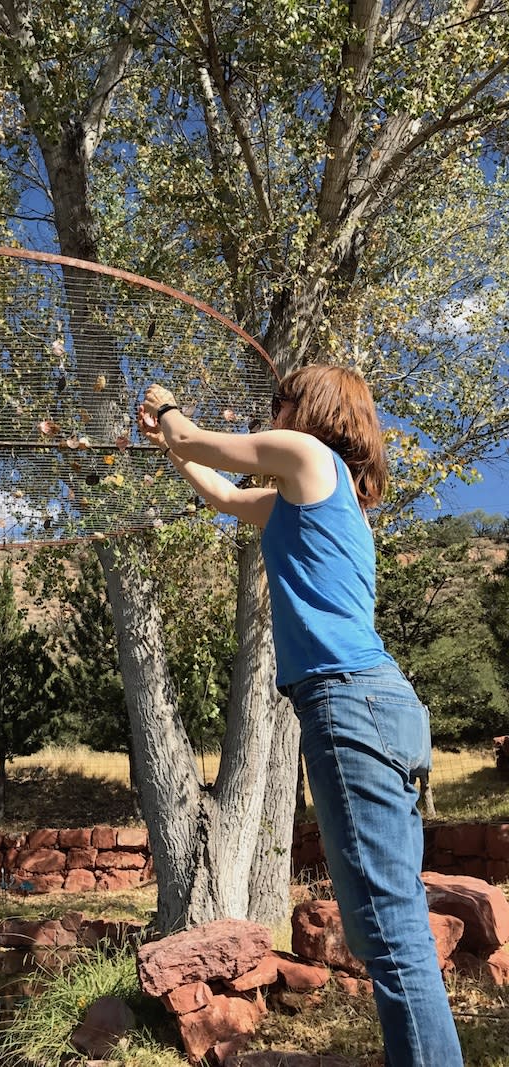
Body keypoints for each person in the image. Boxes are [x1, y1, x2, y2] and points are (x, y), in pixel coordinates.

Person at [139, 365, 463, 1067]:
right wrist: (173, 443)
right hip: (372, 706)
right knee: (392, 924)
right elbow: (224, 491)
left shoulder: (310, 457)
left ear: (313, 409)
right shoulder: (301, 494)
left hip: (350, 702)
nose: (272, 409)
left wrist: (170, 413)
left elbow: (200, 438)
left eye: (282, 400)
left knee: (390, 934)